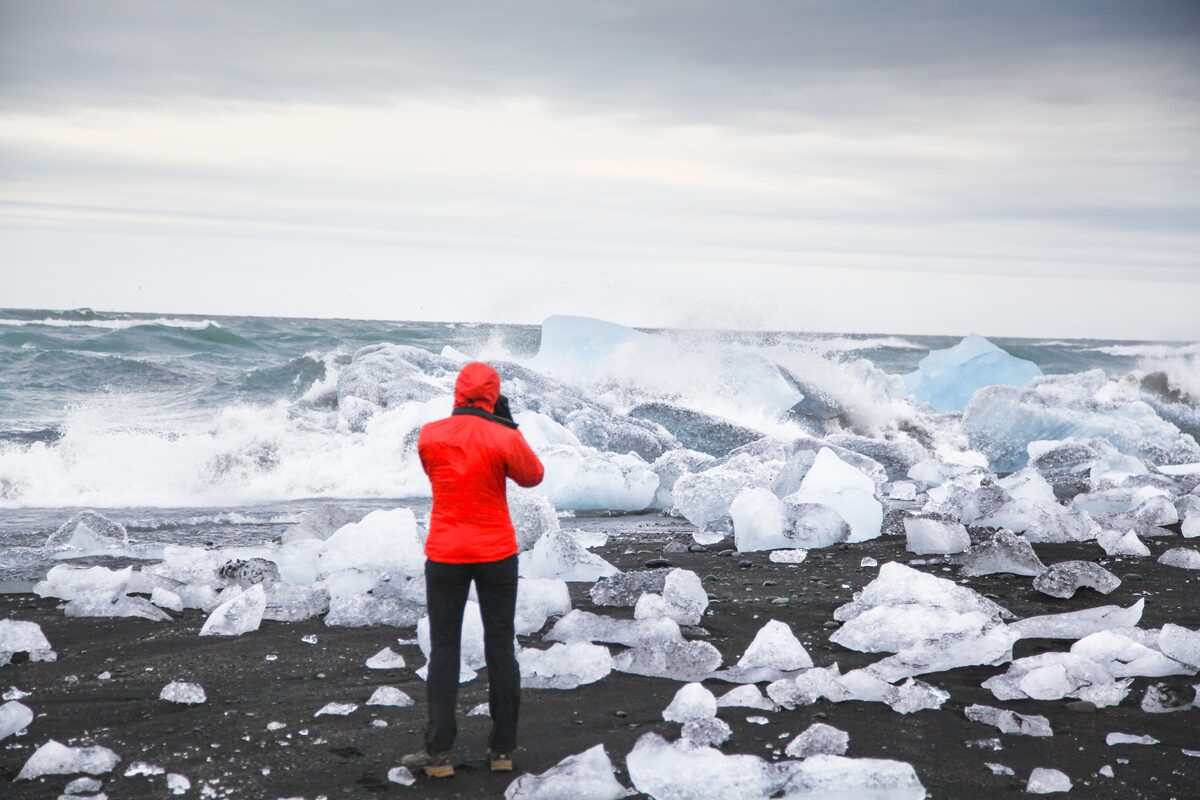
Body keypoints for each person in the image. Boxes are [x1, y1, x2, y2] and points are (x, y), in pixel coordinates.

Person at [401, 361, 544, 778]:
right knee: (500, 645)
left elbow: (436, 474)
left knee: (444, 649)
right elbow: (532, 476)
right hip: (496, 552)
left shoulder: (431, 435)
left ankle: (438, 753)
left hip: (445, 552)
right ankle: (502, 750)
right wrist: (507, 424)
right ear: (493, 393)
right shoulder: (504, 435)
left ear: (457, 392)